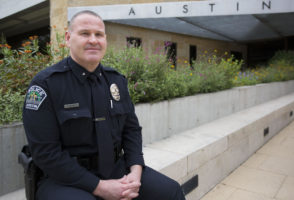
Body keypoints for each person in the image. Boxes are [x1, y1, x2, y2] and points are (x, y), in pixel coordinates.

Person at [22, 10, 186, 200]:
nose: (93, 40)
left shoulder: (116, 80)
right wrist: (99, 187)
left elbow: (131, 130)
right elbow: (45, 153)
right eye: (85, 33)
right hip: (64, 178)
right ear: (68, 38)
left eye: (99, 34)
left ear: (105, 40)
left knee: (170, 192)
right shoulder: (46, 84)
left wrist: (135, 173)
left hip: (117, 168)